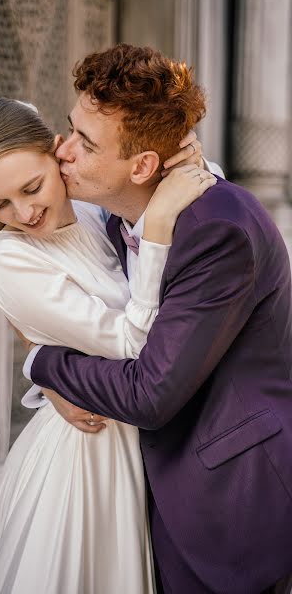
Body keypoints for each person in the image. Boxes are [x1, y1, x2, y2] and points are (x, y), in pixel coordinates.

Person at [0, 94, 215, 594]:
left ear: (60, 154)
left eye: (32, 187)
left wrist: (187, 160)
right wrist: (158, 226)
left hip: (150, 441)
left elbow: (186, 190)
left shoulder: (98, 212)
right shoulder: (9, 258)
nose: (23, 213)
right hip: (86, 458)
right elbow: (131, 344)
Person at [20, 44, 292, 594]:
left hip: (228, 505)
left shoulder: (219, 231)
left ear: (143, 166)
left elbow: (150, 393)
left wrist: (42, 362)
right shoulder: (113, 210)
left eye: (86, 144)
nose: (62, 152)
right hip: (145, 492)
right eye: (70, 129)